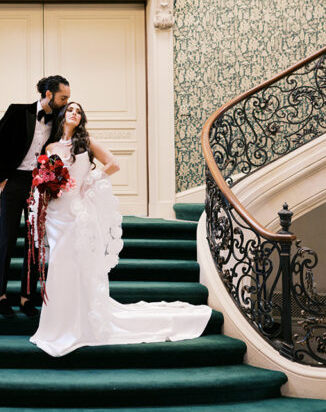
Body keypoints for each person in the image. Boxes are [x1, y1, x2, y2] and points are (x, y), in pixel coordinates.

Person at [30, 102, 212, 355]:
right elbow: (44, 177)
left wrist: (91, 181)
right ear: (62, 116)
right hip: (57, 214)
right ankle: (59, 322)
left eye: (79, 111)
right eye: (70, 110)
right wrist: (49, 188)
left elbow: (113, 164)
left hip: (79, 213)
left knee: (79, 264)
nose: (74, 113)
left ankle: (83, 321)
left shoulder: (86, 142)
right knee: (60, 265)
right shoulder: (50, 147)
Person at [0, 75, 70, 317]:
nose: (66, 102)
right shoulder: (17, 111)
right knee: (7, 238)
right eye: (63, 97)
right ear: (48, 94)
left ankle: (26, 297)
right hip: (14, 181)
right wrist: (3, 179)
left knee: (34, 243)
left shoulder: (59, 119)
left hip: (39, 184)